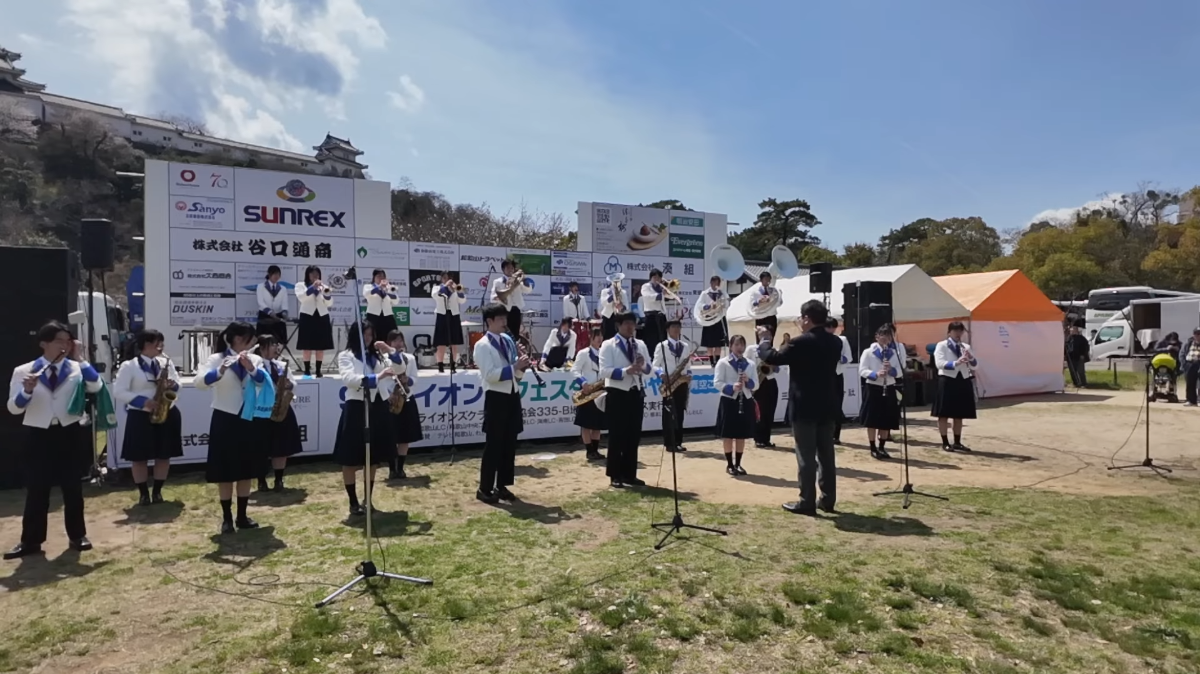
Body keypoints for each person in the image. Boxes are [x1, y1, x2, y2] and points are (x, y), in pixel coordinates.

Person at [4, 322, 102, 559]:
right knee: (37, 490)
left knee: (73, 488)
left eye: (68, 341)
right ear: (44, 344)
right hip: (38, 433)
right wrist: (26, 391)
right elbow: (14, 409)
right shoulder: (24, 371)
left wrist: (81, 358)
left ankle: (77, 535)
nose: (65, 345)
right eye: (59, 340)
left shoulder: (76, 368)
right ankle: (31, 541)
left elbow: (96, 385)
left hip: (68, 432)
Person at [755, 300, 843, 516]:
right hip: (828, 405)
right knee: (826, 455)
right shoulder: (835, 342)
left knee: (805, 456)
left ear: (806, 318)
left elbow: (772, 356)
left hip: (804, 407)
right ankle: (828, 499)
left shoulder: (800, 342)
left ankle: (806, 501)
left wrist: (765, 340)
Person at [194, 321, 270, 534]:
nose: (253, 342)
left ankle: (242, 516)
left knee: (246, 469)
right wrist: (220, 370)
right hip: (225, 418)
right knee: (225, 472)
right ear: (237, 339)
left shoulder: (254, 358)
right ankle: (227, 517)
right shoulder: (216, 359)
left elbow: (264, 381)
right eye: (249, 338)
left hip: (248, 417)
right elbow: (199, 382)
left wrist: (252, 369)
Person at [333, 321, 397, 516]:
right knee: (351, 457)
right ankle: (353, 501)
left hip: (377, 405)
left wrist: (390, 350)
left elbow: (399, 366)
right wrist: (377, 377)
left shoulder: (377, 355)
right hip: (357, 407)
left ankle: (368, 500)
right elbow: (350, 380)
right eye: (364, 335)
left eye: (370, 334)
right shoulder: (346, 356)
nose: (368, 338)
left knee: (373, 457)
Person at [113, 329, 182, 506]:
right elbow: (119, 391)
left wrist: (172, 385)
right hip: (141, 415)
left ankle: (158, 491)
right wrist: (144, 402)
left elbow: (177, 383)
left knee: (164, 455)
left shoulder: (165, 362)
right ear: (146, 345)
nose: (161, 347)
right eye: (158, 343)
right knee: (139, 457)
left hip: (166, 412)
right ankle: (143, 493)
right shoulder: (129, 366)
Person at [473, 303, 530, 503]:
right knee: (494, 444)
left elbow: (516, 373)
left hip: (512, 394)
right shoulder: (482, 345)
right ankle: (484, 488)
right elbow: (489, 375)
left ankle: (502, 485)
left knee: (509, 444)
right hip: (496, 397)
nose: (505, 322)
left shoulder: (507, 339)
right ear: (489, 321)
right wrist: (515, 366)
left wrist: (522, 365)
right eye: (500, 319)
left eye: (505, 318)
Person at [599, 311, 652, 488]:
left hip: (635, 392)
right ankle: (615, 474)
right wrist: (625, 371)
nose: (631, 327)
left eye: (633, 324)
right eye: (627, 324)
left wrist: (643, 364)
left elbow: (649, 369)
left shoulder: (640, 344)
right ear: (618, 325)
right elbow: (604, 371)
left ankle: (630, 474)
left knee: (633, 435)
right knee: (617, 435)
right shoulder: (608, 344)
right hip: (617, 392)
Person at [254, 336, 302, 491]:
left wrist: (289, 385)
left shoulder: (281, 364)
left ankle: (279, 479)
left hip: (282, 408)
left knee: (281, 446)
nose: (276, 348)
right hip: (261, 410)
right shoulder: (255, 365)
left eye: (276, 344)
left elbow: (294, 384)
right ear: (261, 347)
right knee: (260, 447)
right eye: (272, 345)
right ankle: (261, 480)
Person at [858, 326, 904, 460]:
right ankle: (872, 447)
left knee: (886, 419)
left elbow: (900, 372)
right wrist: (876, 374)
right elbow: (862, 370)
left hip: (889, 386)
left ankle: (882, 447)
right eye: (882, 335)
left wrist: (891, 370)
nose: (885, 338)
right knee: (872, 419)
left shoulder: (894, 353)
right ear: (877, 336)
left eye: (888, 336)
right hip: (873, 387)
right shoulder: (868, 352)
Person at [932, 321, 979, 452]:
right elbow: (939, 363)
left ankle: (957, 441)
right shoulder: (942, 345)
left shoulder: (966, 347)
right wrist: (956, 363)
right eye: (955, 331)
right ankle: (945, 441)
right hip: (947, 380)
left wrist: (969, 358)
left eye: (960, 331)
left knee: (959, 413)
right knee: (944, 413)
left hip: (962, 379)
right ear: (949, 332)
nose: (958, 334)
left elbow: (975, 365)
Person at [714, 334, 757, 475]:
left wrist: (747, 380)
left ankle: (738, 464)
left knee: (741, 434)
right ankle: (729, 464)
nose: (740, 348)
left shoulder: (750, 364)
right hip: (729, 401)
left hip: (745, 400)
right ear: (731, 346)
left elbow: (755, 385)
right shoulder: (723, 362)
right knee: (728, 434)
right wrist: (731, 387)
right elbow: (717, 383)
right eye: (737, 345)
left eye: (742, 345)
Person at [386, 330, 421, 480]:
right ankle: (391, 468)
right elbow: (382, 380)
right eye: (394, 341)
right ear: (389, 343)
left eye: (400, 340)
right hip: (390, 400)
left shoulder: (410, 358)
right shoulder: (383, 359)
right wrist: (389, 395)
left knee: (405, 436)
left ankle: (400, 468)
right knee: (389, 436)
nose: (398, 344)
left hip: (407, 398)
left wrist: (409, 381)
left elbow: (415, 377)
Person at [652, 320, 692, 453]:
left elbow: (688, 365)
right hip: (669, 382)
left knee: (680, 412)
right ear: (667, 330)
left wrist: (689, 375)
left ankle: (678, 441)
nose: (676, 329)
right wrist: (662, 374)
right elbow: (655, 365)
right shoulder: (661, 346)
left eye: (678, 327)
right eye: (673, 327)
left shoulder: (685, 346)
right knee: (669, 413)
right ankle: (669, 443)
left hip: (681, 383)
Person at [571, 328, 607, 461]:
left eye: (600, 336)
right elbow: (574, 370)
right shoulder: (583, 353)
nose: (599, 339)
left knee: (598, 424)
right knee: (586, 424)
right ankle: (589, 451)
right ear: (590, 337)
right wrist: (583, 383)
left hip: (601, 392)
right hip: (587, 392)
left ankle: (596, 451)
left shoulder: (604, 354)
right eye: (596, 336)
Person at [295, 265, 334, 377]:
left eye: (317, 274)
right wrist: (312, 287)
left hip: (322, 316)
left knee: (320, 346)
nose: (315, 276)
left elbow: (329, 303)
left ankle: (318, 370)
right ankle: (307, 370)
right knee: (307, 346)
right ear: (308, 275)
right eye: (312, 274)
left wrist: (326, 295)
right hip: (307, 316)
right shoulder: (300, 285)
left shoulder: (324, 286)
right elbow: (301, 297)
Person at [746, 327, 780, 449]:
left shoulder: (773, 350)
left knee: (769, 411)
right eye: (764, 334)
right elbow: (746, 364)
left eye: (769, 334)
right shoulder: (751, 349)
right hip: (758, 382)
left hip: (770, 381)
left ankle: (766, 438)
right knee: (759, 411)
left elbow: (777, 369)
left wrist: (773, 366)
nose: (767, 336)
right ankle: (758, 438)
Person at [825, 318, 853, 444]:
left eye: (832, 327)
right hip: (824, 376)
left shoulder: (842, 340)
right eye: (828, 327)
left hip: (837, 374)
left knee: (837, 405)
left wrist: (838, 356)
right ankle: (824, 434)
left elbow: (848, 357)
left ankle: (836, 435)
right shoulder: (820, 340)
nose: (830, 330)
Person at [489, 258, 534, 336]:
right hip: (504, 310)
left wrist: (524, 279)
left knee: (515, 333)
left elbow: (528, 290)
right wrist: (501, 297)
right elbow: (493, 298)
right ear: (503, 269)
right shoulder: (498, 281)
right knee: (504, 332)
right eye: (508, 268)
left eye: (512, 268)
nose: (510, 270)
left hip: (516, 309)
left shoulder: (518, 280)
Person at [433, 270, 466, 373]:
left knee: (454, 342)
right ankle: (440, 365)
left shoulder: (455, 289)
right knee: (441, 343)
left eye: (449, 278)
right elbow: (436, 295)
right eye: (445, 278)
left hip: (454, 316)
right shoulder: (437, 288)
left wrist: (458, 291)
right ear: (442, 279)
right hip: (442, 315)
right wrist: (445, 286)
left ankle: (453, 364)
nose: (448, 280)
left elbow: (462, 300)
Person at [696, 275, 730, 366]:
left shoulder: (722, 293)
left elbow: (727, 303)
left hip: (719, 318)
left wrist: (722, 303)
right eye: (714, 282)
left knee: (718, 343)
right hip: (709, 319)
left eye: (718, 283)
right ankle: (712, 362)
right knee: (709, 343)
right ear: (711, 283)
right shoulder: (705, 293)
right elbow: (699, 305)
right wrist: (708, 306)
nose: (716, 284)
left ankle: (718, 362)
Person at [362, 269, 400, 342]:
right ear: (374, 277)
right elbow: (366, 294)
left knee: (391, 335)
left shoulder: (389, 287)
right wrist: (380, 287)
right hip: (373, 315)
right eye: (378, 276)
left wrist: (387, 292)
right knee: (373, 334)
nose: (381, 278)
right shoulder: (369, 286)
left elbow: (396, 301)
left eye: (383, 276)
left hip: (387, 315)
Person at [256, 265, 289, 346]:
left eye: (278, 274)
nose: (276, 276)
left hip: (278, 317)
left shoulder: (283, 288)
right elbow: (260, 302)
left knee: (278, 340)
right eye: (274, 274)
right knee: (263, 340)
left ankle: (276, 355)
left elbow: (284, 303)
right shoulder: (261, 287)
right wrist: (269, 312)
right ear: (269, 274)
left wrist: (284, 313)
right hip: (265, 316)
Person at [639, 269, 669, 356]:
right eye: (654, 277)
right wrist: (660, 295)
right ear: (651, 277)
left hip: (661, 315)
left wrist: (667, 292)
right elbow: (647, 296)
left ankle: (663, 357)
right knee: (652, 339)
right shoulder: (646, 286)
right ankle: (651, 357)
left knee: (663, 338)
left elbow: (667, 297)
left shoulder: (662, 287)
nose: (657, 279)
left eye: (659, 277)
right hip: (651, 316)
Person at [1183, 329, 1200, 406]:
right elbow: (1182, 353)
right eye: (1196, 334)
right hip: (1189, 363)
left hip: (1199, 363)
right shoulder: (1189, 343)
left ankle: (1199, 400)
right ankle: (1191, 400)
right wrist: (1184, 364)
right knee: (1190, 383)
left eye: (1199, 334)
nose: (1197, 336)